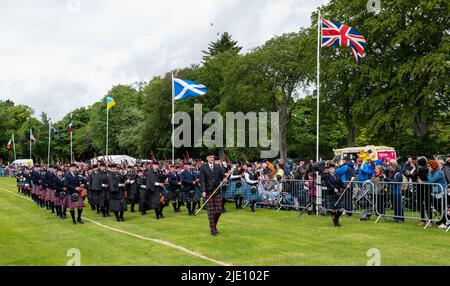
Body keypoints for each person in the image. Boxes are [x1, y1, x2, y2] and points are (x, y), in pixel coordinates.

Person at [199, 153, 226, 236]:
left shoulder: (218, 167)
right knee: (211, 212)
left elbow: (222, 176)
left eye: (213, 157)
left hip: (217, 191)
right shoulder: (203, 167)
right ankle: (213, 230)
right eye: (210, 157)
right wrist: (203, 191)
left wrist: (225, 178)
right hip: (208, 191)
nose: (212, 158)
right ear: (207, 158)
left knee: (219, 211)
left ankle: (213, 225)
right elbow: (202, 180)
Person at [410, 157, 432, 226]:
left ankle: (428, 221)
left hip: (425, 187)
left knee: (426, 204)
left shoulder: (422, 169)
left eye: (417, 161)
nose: (416, 162)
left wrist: (410, 175)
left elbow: (415, 176)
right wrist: (411, 175)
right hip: (421, 188)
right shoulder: (420, 169)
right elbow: (415, 177)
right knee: (421, 204)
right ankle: (424, 220)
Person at [427, 160, 448, 229]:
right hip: (436, 193)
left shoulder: (439, 172)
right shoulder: (434, 172)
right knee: (437, 207)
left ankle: (444, 222)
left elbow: (431, 181)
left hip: (442, 193)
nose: (428, 167)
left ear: (433, 166)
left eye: (429, 166)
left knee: (442, 208)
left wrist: (429, 173)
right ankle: (443, 220)